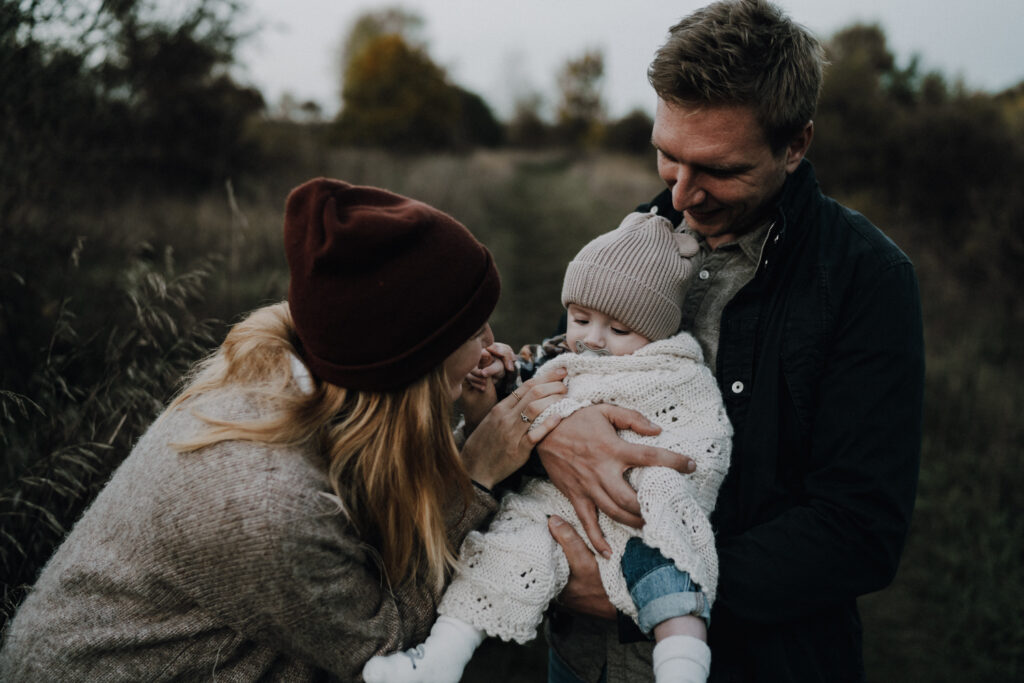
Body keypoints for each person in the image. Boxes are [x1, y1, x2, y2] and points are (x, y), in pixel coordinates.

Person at [0, 178, 569, 681]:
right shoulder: (265, 503)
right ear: (408, 367)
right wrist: (476, 476)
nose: (491, 342)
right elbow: (386, 646)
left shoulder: (314, 378)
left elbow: (374, 516)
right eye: (471, 330)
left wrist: (470, 433)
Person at [536, 1, 925, 681]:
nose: (682, 196)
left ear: (794, 145)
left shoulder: (866, 279)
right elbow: (570, 361)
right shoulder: (641, 231)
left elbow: (858, 530)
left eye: (719, 169)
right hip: (586, 663)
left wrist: (648, 594)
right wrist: (550, 431)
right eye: (668, 156)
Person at [363, 210, 732, 683]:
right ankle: (437, 661)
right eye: (580, 319)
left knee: (675, 571)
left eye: (619, 330)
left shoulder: (675, 372)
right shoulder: (557, 358)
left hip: (640, 505)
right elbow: (524, 401)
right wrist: (500, 382)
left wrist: (660, 482)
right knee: (498, 555)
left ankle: (682, 670)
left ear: (657, 332)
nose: (593, 340)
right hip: (555, 508)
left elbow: (702, 439)